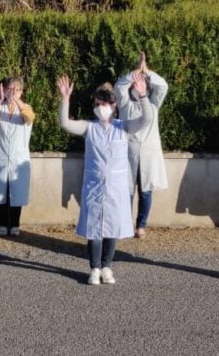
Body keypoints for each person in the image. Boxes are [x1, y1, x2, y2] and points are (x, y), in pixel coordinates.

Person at [56, 73, 152, 286]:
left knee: (112, 228)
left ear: (115, 105)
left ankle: (107, 266)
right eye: (99, 103)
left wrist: (143, 96)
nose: (103, 106)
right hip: (94, 185)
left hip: (117, 187)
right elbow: (65, 123)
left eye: (107, 103)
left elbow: (147, 119)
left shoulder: (123, 127)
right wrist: (65, 99)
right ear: (95, 104)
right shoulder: (89, 128)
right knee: (94, 228)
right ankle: (94, 268)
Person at [113, 52, 169, 238]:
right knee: (127, 190)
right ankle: (125, 224)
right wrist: (136, 70)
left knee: (145, 191)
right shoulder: (125, 104)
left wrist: (147, 71)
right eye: (136, 83)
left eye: (142, 82)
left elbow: (163, 86)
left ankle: (141, 225)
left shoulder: (153, 104)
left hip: (148, 154)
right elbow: (119, 86)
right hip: (128, 153)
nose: (139, 85)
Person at [0, 77, 35, 237]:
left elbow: (29, 118)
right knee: (0, 192)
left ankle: (15, 224)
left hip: (18, 158)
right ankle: (2, 223)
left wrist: (17, 101)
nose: (12, 92)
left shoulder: (25, 108)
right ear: (3, 90)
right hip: (0, 156)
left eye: (16, 89)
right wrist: (0, 99)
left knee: (16, 193)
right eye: (9, 89)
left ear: (21, 91)